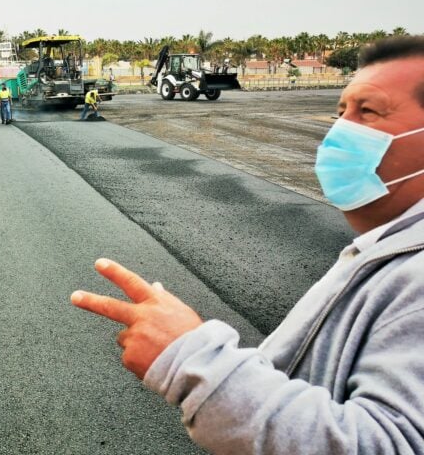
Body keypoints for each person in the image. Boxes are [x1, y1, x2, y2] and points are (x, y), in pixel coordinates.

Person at [71, 35, 424, 454]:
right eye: (341, 111)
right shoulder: (385, 251)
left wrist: (191, 360)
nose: (340, 131)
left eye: (368, 111)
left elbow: (390, 444)